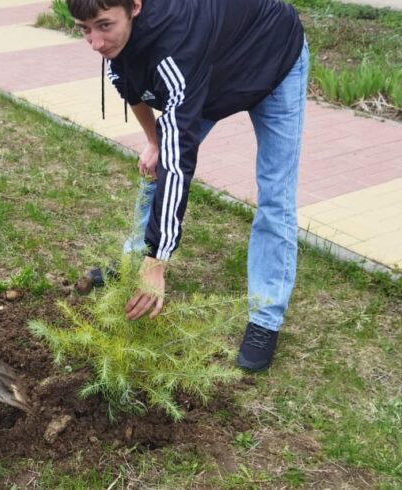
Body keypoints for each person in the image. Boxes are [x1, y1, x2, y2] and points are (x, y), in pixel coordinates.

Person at [68, 0, 308, 372]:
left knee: (275, 195)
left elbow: (180, 162)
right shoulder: (117, 39)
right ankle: (134, 264)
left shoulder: (176, 44)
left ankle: (265, 317)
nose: (96, 42)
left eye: (103, 26)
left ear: (134, 7)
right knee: (159, 163)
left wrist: (159, 264)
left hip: (272, 55)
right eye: (85, 29)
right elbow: (131, 88)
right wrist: (153, 141)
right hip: (211, 71)